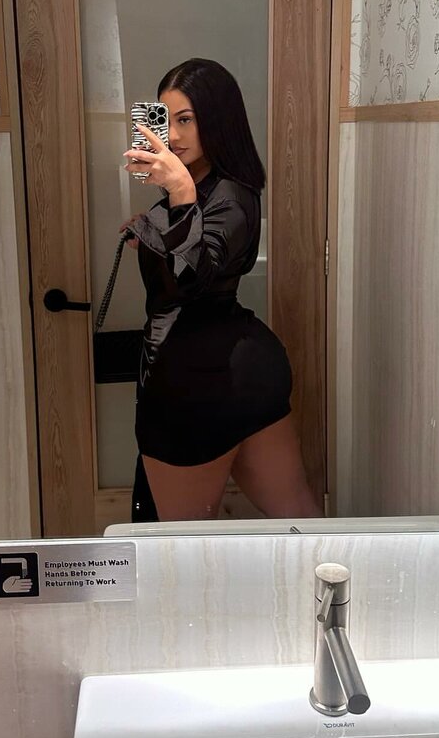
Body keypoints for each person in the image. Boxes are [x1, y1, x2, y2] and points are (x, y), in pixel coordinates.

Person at [122, 57, 321, 523]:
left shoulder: (226, 193)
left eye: (186, 119)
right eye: (165, 118)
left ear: (217, 118)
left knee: (180, 542)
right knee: (297, 515)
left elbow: (192, 279)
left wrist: (179, 192)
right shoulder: (209, 186)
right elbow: (190, 255)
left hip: (201, 385)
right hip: (238, 373)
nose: (173, 135)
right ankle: (331, 572)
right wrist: (151, 228)